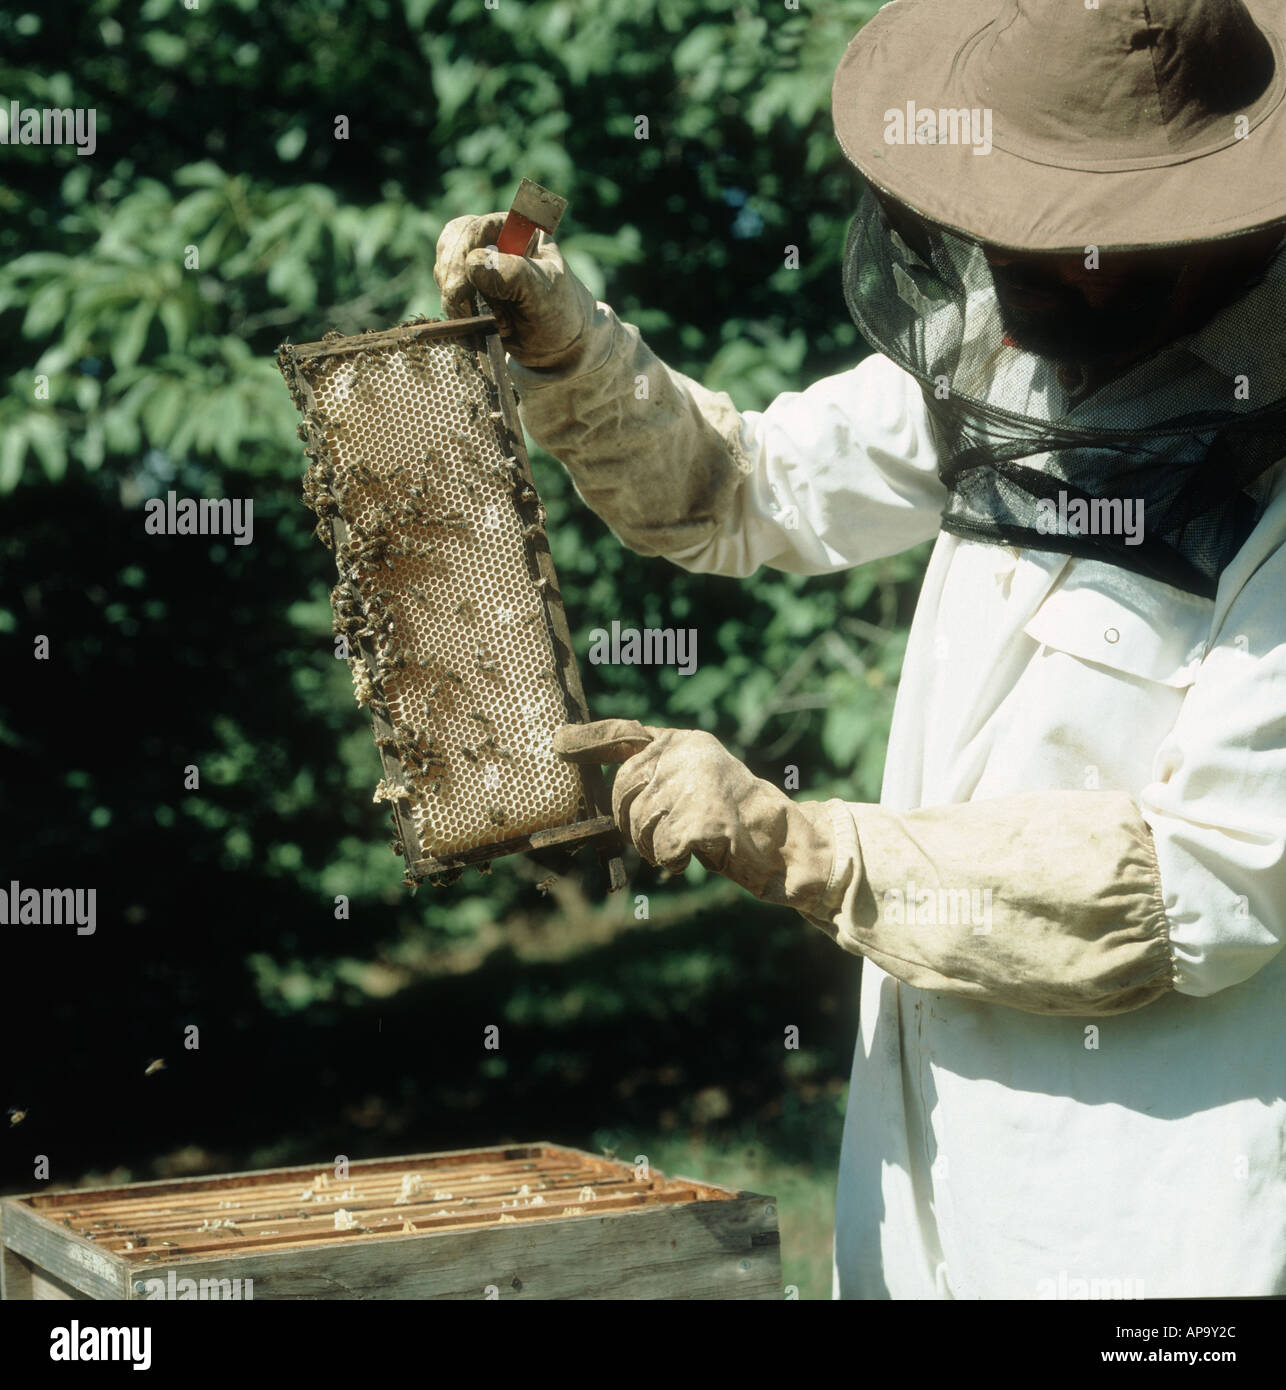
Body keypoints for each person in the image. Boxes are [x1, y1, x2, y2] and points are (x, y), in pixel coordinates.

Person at [434, 0, 1286, 1298]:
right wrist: (572, 346)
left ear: (1203, 223)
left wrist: (803, 843)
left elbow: (1207, 880)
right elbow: (738, 488)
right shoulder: (1011, 362)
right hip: (930, 1176)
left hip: (1149, 1221)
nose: (1009, 264)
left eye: (1064, 236)